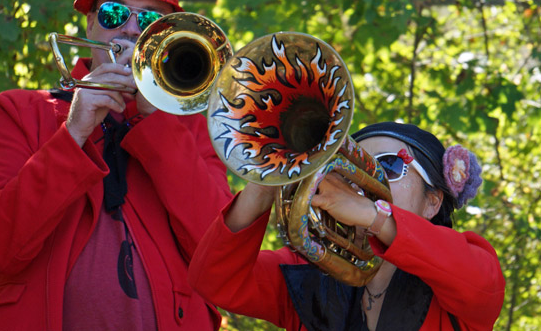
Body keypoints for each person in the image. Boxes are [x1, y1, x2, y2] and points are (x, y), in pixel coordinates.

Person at [0, 0, 232, 331]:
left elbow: (219, 253)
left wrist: (155, 123)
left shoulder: (189, 131)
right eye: (114, 13)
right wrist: (73, 132)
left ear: (168, 40)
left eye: (151, 21)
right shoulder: (18, 110)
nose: (129, 29)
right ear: (91, 24)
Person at [188, 122, 505, 331]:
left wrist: (374, 215)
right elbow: (215, 281)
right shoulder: (308, 273)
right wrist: (264, 183)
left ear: (433, 202)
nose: (367, 180)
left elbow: (481, 281)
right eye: (355, 167)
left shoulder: (464, 271)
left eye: (389, 165)